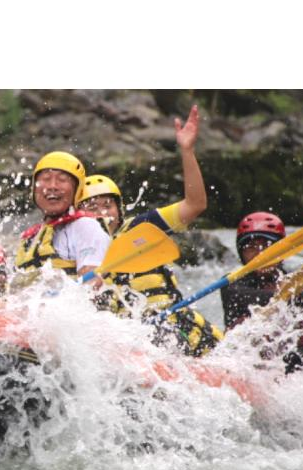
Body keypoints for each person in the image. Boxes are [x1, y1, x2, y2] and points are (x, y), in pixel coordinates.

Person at [76, 105, 223, 357]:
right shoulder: (77, 252)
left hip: (174, 328)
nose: (101, 212)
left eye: (106, 205)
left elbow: (195, 204)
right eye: (91, 207)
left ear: (119, 210)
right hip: (128, 339)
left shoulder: (141, 227)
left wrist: (186, 151)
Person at [13, 151, 110, 285]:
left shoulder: (85, 227)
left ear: (77, 190)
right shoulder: (29, 239)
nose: (52, 186)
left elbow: (93, 288)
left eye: (62, 180)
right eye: (46, 179)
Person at [220, 212, 287, 330]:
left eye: (267, 245)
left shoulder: (297, 280)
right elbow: (246, 297)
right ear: (242, 253)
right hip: (246, 345)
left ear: (282, 250)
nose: (260, 254)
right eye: (251, 247)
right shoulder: (231, 282)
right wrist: (293, 294)